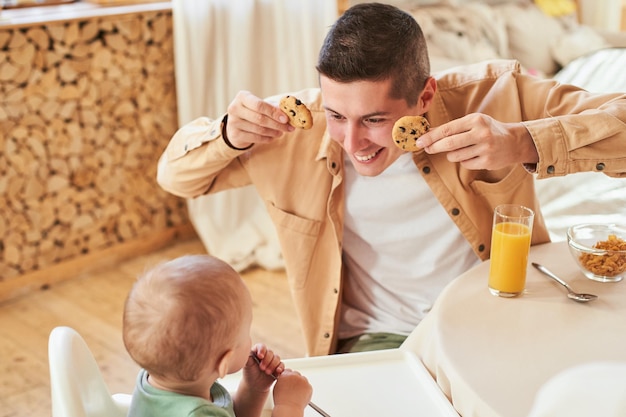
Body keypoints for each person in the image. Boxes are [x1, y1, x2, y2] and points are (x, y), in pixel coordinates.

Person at [156, 3, 626, 357]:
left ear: (424, 94)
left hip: (497, 314)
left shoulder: (497, 97)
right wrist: (227, 135)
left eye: (375, 119)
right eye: (337, 114)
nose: (351, 141)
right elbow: (177, 179)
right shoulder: (290, 129)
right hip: (379, 338)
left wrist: (522, 142)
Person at [122, 254, 312, 417]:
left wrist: (254, 388)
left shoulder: (157, 381)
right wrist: (289, 406)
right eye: (246, 333)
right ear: (223, 363)